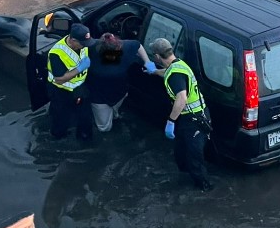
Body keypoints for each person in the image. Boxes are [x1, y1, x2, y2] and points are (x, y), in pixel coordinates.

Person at [148, 37, 212, 190]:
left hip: (194, 120)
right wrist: (156, 72)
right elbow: (170, 73)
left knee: (194, 159)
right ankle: (184, 178)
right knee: (181, 154)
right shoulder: (178, 64)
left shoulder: (176, 74)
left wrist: (170, 121)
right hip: (187, 119)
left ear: (157, 56)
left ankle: (205, 189)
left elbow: (181, 97)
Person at [84, 32, 155, 134]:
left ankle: (114, 115)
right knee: (104, 127)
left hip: (120, 91)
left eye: (115, 55)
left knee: (114, 112)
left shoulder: (125, 46)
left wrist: (147, 62)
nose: (113, 58)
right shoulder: (92, 47)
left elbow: (138, 45)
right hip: (99, 95)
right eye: (109, 56)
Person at [45, 23, 93, 141]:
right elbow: (59, 79)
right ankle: (57, 138)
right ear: (73, 40)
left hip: (80, 87)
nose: (84, 46)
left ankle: (84, 138)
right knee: (60, 118)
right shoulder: (57, 53)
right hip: (60, 91)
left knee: (85, 117)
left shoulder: (83, 43)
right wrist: (79, 69)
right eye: (82, 44)